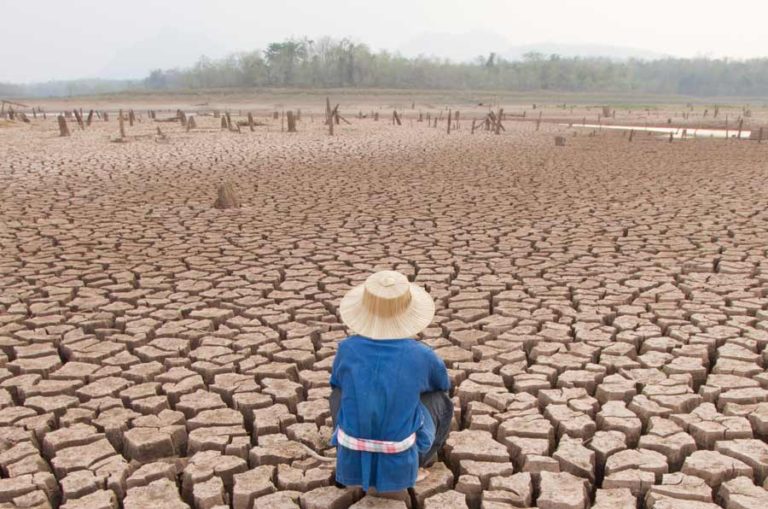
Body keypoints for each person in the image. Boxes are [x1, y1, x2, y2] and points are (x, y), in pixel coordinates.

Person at [328, 270, 453, 494]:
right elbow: (442, 384)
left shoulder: (346, 349)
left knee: (339, 392)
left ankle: (350, 462)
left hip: (351, 456)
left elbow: (336, 381)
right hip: (400, 459)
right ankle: (419, 463)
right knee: (439, 400)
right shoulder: (421, 355)